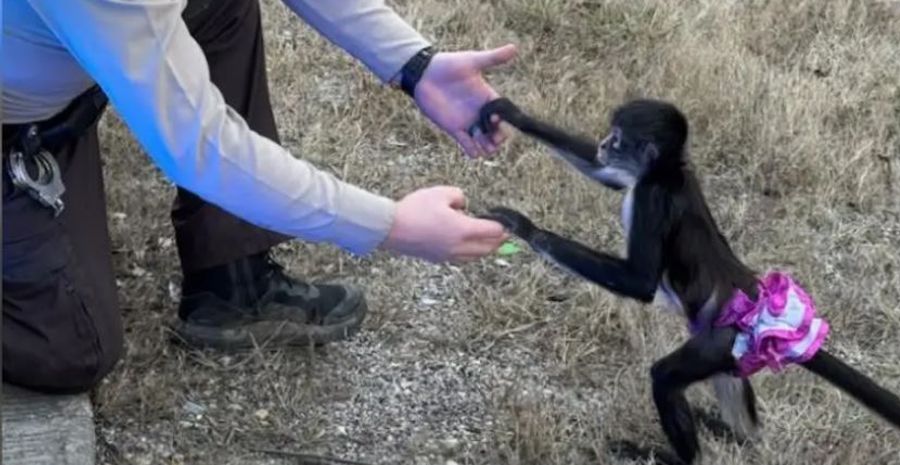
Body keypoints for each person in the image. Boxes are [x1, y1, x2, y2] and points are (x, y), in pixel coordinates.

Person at [2, 0, 516, 395]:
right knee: (71, 347)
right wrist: (390, 225)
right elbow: (203, 149)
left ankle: (233, 280)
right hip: (20, 113)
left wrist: (413, 63)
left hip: (60, 58)